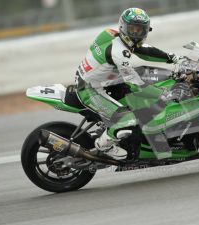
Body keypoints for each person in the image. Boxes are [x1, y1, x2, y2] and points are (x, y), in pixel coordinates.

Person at [75, 7, 180, 160]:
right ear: (123, 27)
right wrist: (164, 94)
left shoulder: (110, 33)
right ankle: (104, 145)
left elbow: (144, 50)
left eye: (140, 30)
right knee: (128, 119)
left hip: (98, 79)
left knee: (138, 94)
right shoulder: (119, 53)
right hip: (89, 89)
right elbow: (137, 84)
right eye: (132, 29)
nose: (136, 34)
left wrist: (169, 57)